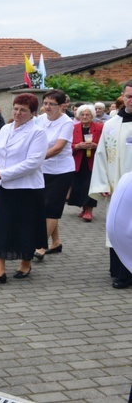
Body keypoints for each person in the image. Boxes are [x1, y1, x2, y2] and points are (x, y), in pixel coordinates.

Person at [0, 93, 48, 286]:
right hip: (5, 188)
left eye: (23, 110)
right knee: (0, 227)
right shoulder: (6, 129)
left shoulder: (38, 132)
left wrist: (2, 173)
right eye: (16, 108)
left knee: (24, 227)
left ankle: (26, 261)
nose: (18, 113)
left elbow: (33, 163)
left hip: (27, 189)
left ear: (33, 113)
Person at [90, 80, 132, 289]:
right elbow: (101, 156)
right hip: (117, 187)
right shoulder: (111, 124)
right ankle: (119, 271)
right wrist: (102, 183)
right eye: (129, 96)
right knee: (117, 227)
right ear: (123, 97)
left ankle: (127, 275)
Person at [33, 89, 74, 261]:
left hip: (61, 170)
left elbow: (58, 148)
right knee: (44, 207)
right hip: (42, 170)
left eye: (52, 104)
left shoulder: (67, 123)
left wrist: (35, 159)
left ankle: (41, 246)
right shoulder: (40, 120)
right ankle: (55, 242)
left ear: (62, 106)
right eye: (45, 103)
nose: (47, 107)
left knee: (51, 208)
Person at [67, 104, 103, 222]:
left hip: (92, 161)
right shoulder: (74, 128)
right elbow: (68, 145)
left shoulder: (99, 127)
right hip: (78, 161)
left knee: (90, 186)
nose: (85, 117)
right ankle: (83, 209)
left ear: (92, 115)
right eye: (82, 115)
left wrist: (95, 145)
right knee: (79, 187)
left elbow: (104, 143)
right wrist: (77, 146)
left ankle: (89, 211)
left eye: (87, 114)